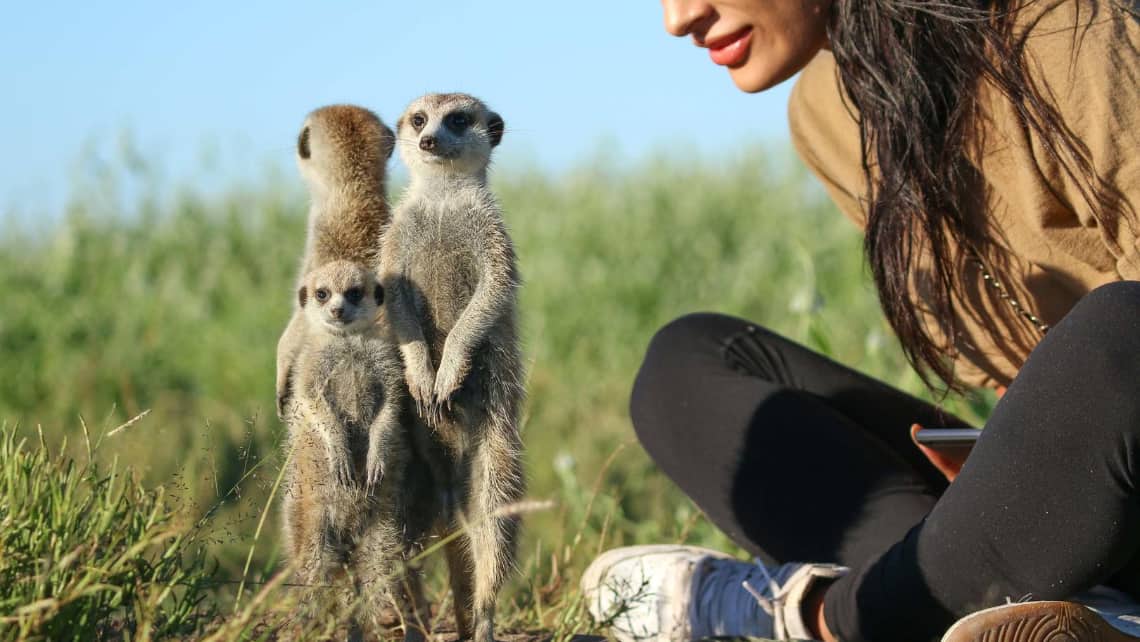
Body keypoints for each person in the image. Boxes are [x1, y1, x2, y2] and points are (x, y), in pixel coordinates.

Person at [579, 0, 1140, 641]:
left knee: (1120, 331)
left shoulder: (1064, 27)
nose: (678, 18)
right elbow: (1010, 379)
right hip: (1057, 518)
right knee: (689, 365)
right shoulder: (831, 111)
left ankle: (821, 618)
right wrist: (1009, 457)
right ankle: (1061, 614)